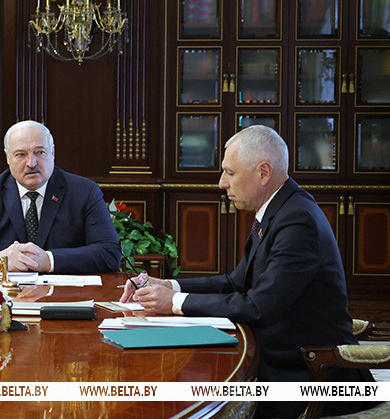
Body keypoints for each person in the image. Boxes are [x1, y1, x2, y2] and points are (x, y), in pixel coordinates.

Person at [119, 125, 373, 418]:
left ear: (264, 172)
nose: (221, 183)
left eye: (230, 172)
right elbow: (236, 282)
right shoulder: (281, 209)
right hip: (281, 358)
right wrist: (170, 286)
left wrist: (174, 303)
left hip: (309, 375)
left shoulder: (297, 220)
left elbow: (259, 306)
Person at [0, 120, 120, 274]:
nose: (31, 162)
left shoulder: (83, 191)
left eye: (40, 152)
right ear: (8, 158)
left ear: (52, 153)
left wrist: (49, 260)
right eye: (20, 154)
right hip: (4, 298)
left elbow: (110, 253)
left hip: (65, 297)